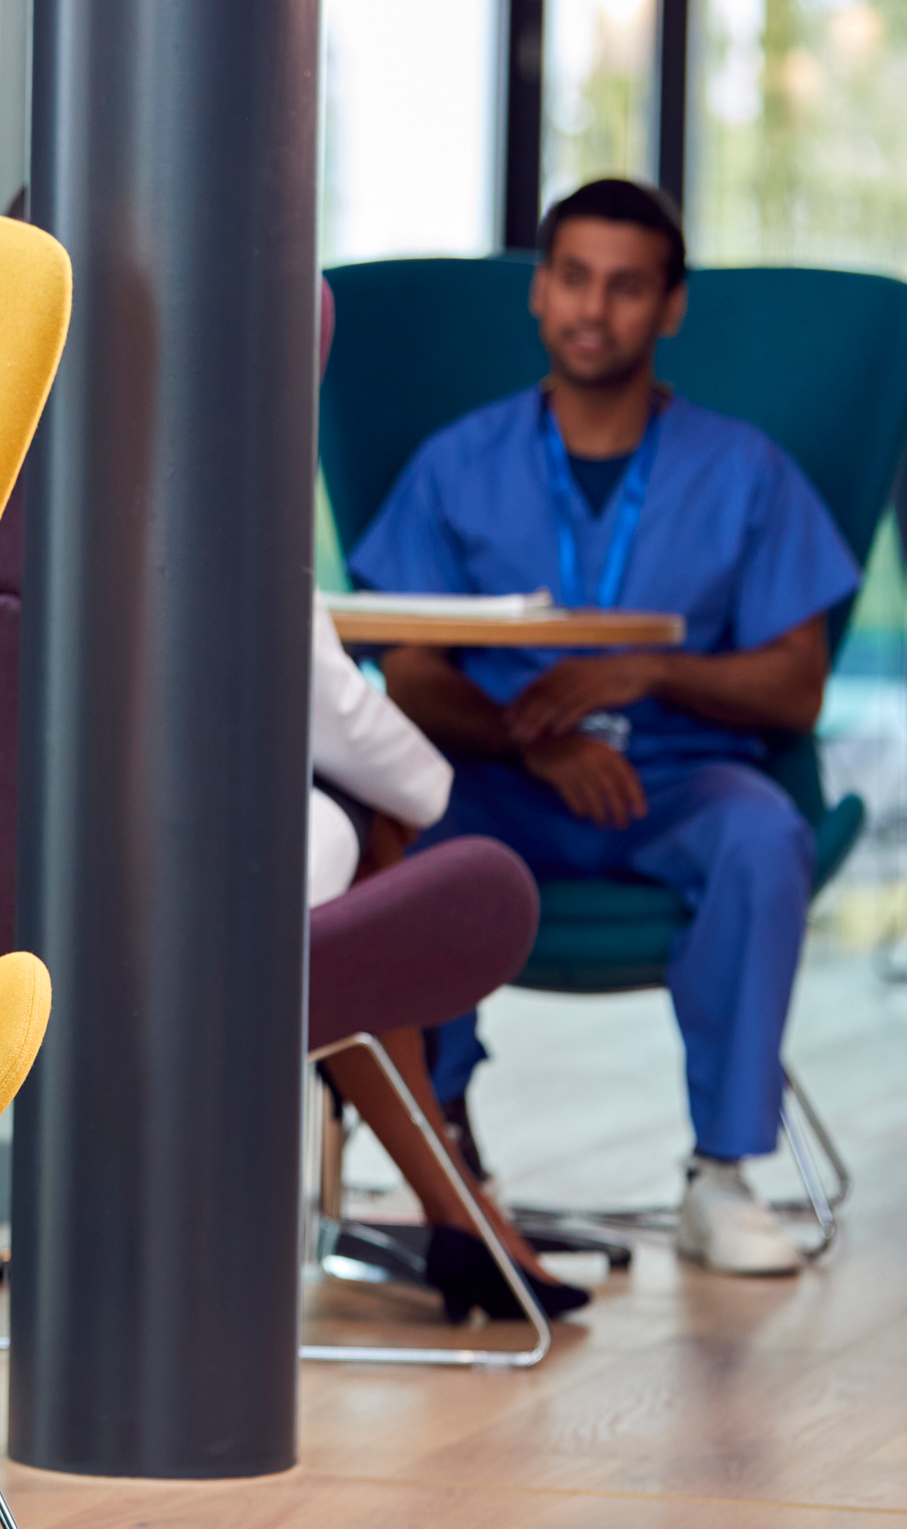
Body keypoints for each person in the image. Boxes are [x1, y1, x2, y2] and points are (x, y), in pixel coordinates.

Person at [349, 178, 859, 1277]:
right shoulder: (457, 464)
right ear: (538, 294)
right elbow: (409, 675)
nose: (595, 309)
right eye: (573, 280)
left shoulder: (743, 470)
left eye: (627, 288)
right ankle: (445, 1156)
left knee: (764, 835)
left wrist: (653, 672)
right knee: (392, 832)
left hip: (677, 782)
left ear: (670, 308)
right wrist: (530, 739)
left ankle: (722, 1177)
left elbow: (796, 688)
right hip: (495, 778)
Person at [302, 603, 586, 1320]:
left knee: (356, 838)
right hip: (164, 898)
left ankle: (457, 1198)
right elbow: (322, 692)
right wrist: (416, 794)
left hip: (4, 857)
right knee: (365, 856)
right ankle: (459, 1201)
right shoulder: (207, 493)